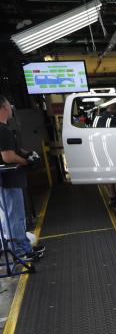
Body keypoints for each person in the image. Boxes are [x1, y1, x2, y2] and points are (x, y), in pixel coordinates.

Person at [0, 95, 44, 262]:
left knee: (11, 217)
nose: (11, 108)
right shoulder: (2, 130)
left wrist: (27, 154)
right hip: (9, 180)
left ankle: (23, 247)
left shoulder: (5, 129)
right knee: (15, 217)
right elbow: (8, 156)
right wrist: (26, 161)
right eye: (9, 105)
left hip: (6, 180)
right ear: (4, 108)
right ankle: (20, 252)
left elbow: (14, 149)